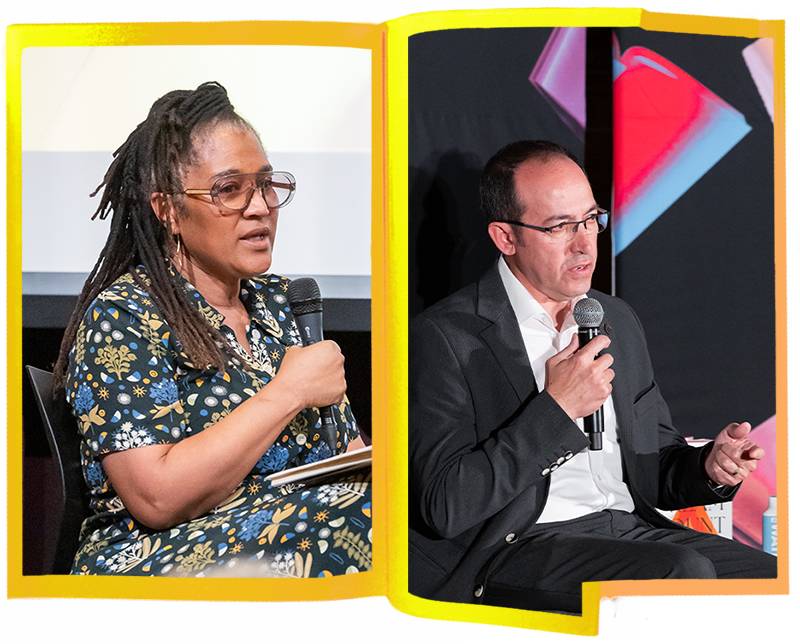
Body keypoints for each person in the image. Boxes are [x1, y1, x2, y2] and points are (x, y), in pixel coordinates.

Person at [50, 81, 435, 644]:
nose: (260, 208)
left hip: (297, 540)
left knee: (419, 507)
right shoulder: (126, 316)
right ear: (168, 210)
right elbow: (155, 497)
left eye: (267, 186)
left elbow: (346, 457)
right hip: (150, 572)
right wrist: (287, 393)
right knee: (344, 533)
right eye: (230, 190)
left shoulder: (284, 305)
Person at [408, 140, 777, 616]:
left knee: (780, 585)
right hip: (515, 547)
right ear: (505, 237)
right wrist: (557, 410)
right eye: (560, 226)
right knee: (681, 576)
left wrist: (709, 468)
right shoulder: (446, 336)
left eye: (590, 219)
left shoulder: (614, 318)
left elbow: (656, 468)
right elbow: (446, 505)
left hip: (629, 529)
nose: (584, 243)